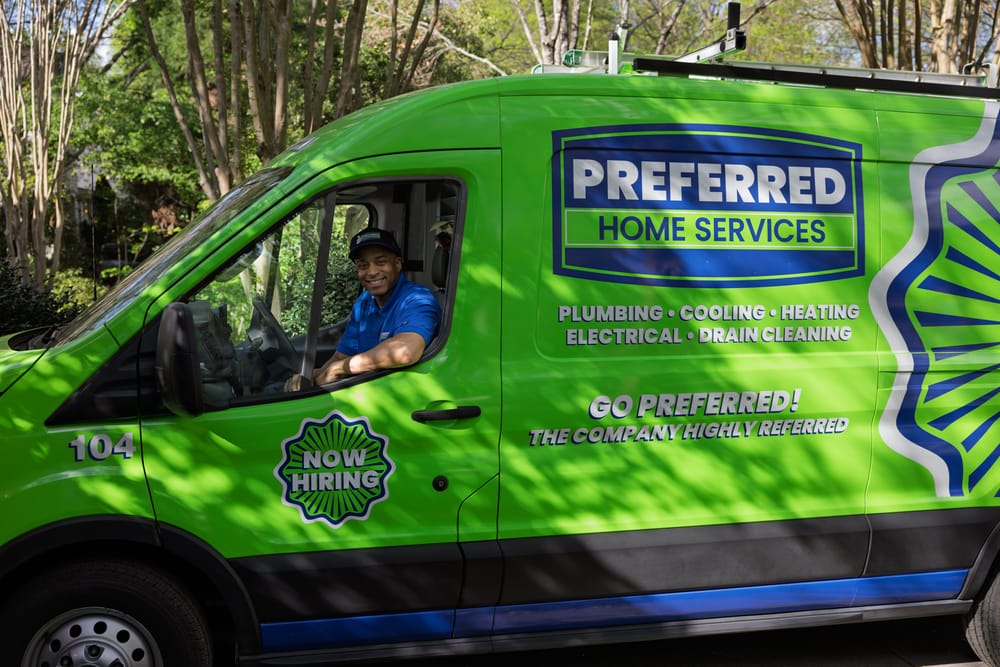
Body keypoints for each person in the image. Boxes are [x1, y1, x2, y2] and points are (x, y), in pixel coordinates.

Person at [289, 228, 441, 390]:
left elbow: (405, 351)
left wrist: (341, 368)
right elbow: (343, 355)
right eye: (363, 265)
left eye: (381, 262)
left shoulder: (418, 299)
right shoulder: (365, 302)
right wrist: (314, 376)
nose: (372, 272)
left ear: (397, 264)